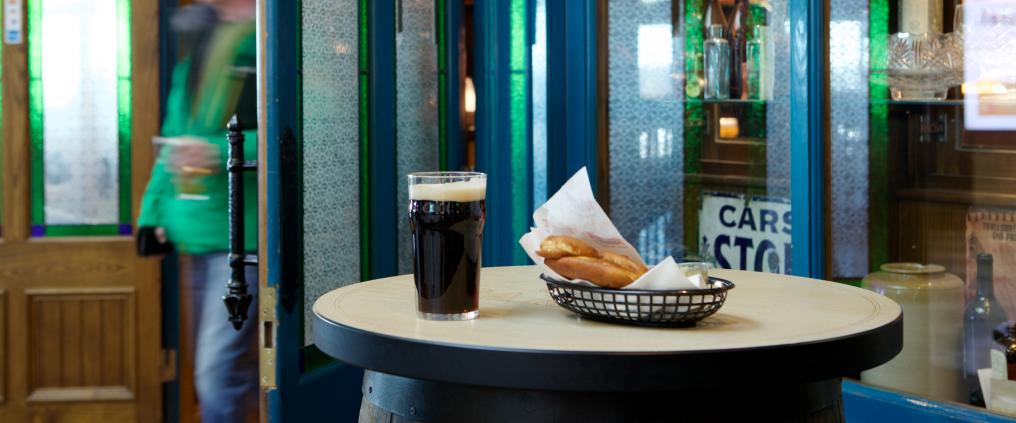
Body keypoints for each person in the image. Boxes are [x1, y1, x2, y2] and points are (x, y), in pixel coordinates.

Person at [137, 1, 258, 422]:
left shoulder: (270, 39)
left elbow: (299, 128)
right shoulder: (198, 43)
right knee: (221, 375)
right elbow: (173, 138)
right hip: (196, 236)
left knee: (217, 376)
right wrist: (152, 215)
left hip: (246, 242)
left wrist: (220, 151)